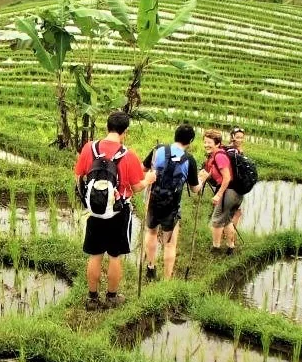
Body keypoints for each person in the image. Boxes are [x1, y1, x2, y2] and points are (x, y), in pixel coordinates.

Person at [75, 111, 156, 310]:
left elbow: (78, 176)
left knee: (94, 255)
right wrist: (149, 179)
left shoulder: (89, 148)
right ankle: (111, 297)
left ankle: (92, 298)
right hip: (119, 212)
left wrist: (88, 199)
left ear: (106, 127)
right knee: (114, 256)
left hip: (95, 211)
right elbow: (136, 187)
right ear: (125, 132)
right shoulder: (128, 155)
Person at [141, 124, 201, 280]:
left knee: (152, 232)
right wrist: (203, 178)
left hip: (152, 200)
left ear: (175, 135)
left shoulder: (158, 149)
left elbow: (143, 168)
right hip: (172, 206)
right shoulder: (189, 160)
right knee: (170, 243)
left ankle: (151, 267)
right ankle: (167, 279)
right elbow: (194, 189)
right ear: (191, 140)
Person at [198, 129, 240, 255]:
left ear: (217, 143)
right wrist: (206, 176)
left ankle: (215, 249)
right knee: (226, 220)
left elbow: (226, 178)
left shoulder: (220, 156)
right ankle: (230, 248)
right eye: (205, 142)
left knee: (216, 221)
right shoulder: (217, 155)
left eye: (209, 142)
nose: (206, 145)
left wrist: (218, 195)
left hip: (228, 192)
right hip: (234, 192)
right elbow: (216, 173)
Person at [226, 126, 245, 229]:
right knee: (234, 211)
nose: (240, 140)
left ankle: (229, 232)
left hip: (235, 184)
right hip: (232, 185)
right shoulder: (232, 151)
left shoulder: (237, 150)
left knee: (236, 211)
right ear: (233, 137)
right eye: (238, 137)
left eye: (242, 138)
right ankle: (230, 233)